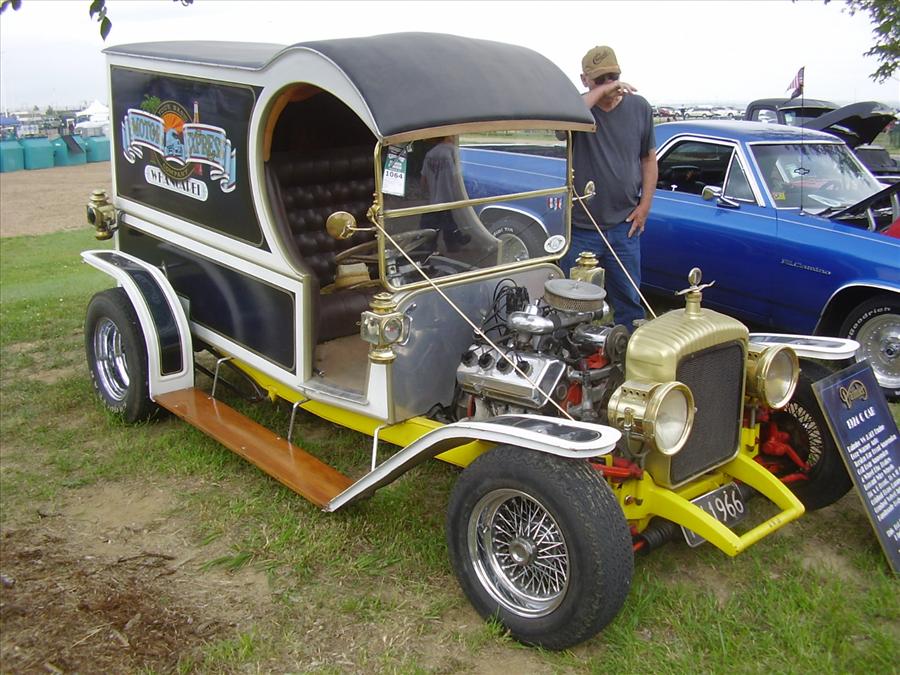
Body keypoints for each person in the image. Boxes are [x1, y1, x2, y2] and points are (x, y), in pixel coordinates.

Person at [561, 45, 658, 332]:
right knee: (571, 302)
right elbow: (564, 124)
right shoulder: (578, 109)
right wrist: (601, 92)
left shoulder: (639, 107)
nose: (610, 85)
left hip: (624, 225)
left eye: (613, 77)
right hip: (582, 227)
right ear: (584, 80)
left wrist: (644, 206)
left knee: (629, 301)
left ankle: (627, 349)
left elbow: (648, 159)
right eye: (600, 80)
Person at [420, 136, 471, 251]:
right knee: (444, 221)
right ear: (449, 137)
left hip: (433, 197)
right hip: (447, 195)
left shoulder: (430, 154)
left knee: (438, 220)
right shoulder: (452, 152)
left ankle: (438, 244)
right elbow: (456, 177)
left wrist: (426, 193)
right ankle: (451, 243)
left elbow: (423, 179)